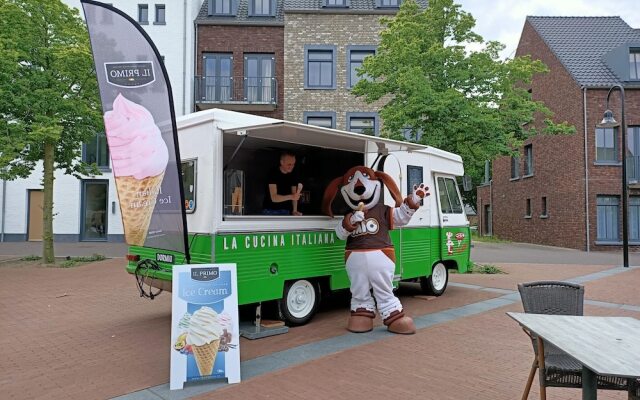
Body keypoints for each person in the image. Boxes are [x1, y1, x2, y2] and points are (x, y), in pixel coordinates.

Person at [262, 151, 303, 215]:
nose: (292, 167)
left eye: (293, 164)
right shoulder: (273, 173)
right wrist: (292, 196)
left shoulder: (293, 175)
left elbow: (294, 195)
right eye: (289, 164)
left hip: (286, 211)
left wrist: (294, 211)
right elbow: (274, 197)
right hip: (270, 210)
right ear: (281, 162)